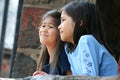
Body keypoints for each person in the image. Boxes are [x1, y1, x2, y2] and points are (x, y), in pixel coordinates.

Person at [58, 1, 118, 76]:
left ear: (80, 22)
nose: (59, 27)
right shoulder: (69, 49)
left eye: (63, 20)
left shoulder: (86, 40)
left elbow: (90, 77)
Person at [33, 10, 71, 76]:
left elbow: (71, 78)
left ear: (60, 31)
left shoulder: (64, 55)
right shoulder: (46, 58)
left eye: (51, 27)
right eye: (43, 26)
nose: (44, 30)